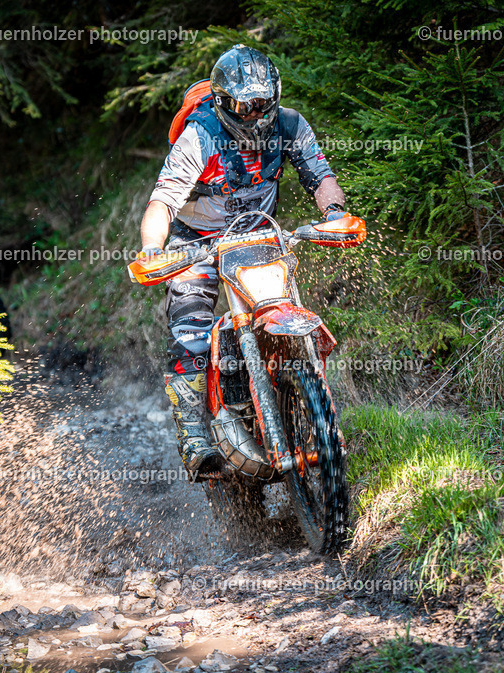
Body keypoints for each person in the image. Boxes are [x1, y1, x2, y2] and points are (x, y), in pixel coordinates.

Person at [139, 44, 349, 480]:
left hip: (258, 233)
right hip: (195, 242)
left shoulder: (289, 124)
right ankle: (195, 435)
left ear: (274, 97)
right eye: (243, 106)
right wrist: (153, 249)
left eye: (262, 104)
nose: (254, 115)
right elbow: (162, 200)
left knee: (284, 306)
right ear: (222, 103)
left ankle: (308, 404)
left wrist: (334, 215)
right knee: (191, 329)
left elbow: (321, 177)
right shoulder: (201, 135)